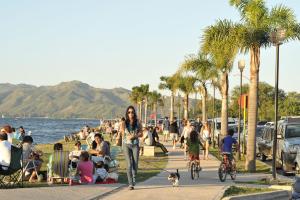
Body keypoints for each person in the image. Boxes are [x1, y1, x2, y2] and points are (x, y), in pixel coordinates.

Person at [120, 105, 142, 190]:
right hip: (126, 145)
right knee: (129, 164)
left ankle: (134, 176)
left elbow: (141, 133)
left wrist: (135, 136)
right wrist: (128, 136)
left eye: (132, 112)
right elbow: (123, 133)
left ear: (134, 113)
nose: (130, 113)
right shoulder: (123, 123)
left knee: (135, 164)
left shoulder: (138, 122)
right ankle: (130, 184)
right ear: (127, 113)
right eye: (129, 112)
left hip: (135, 145)